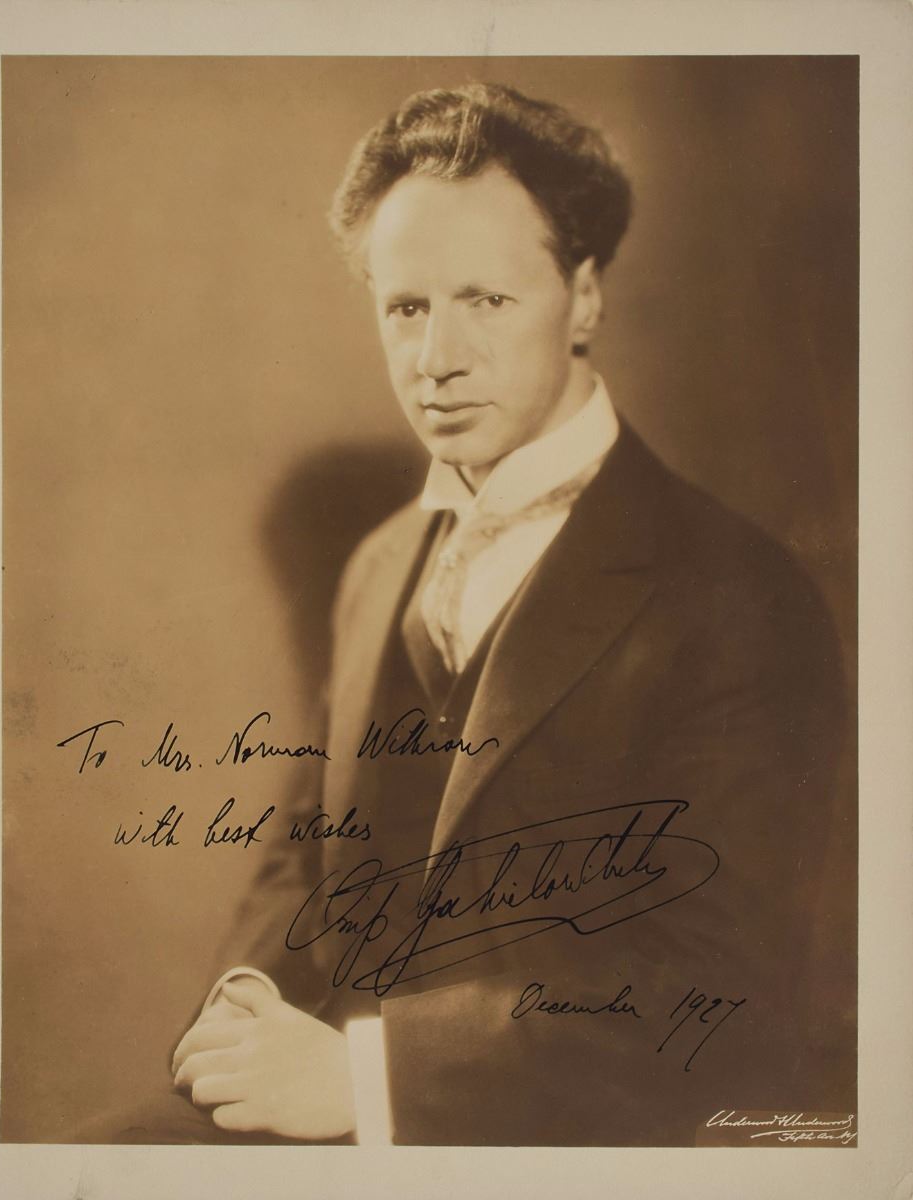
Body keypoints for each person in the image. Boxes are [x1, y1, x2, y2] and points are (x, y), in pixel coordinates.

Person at [99, 82, 852, 1146]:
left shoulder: (737, 592)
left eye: (486, 301)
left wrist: (370, 1080)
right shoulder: (378, 567)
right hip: (331, 1115)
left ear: (582, 297)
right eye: (405, 307)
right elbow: (306, 851)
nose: (436, 358)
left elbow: (717, 994)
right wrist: (247, 1006)